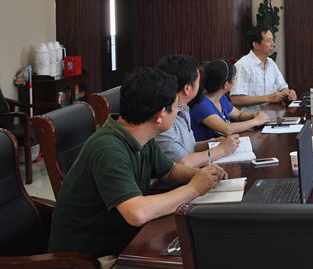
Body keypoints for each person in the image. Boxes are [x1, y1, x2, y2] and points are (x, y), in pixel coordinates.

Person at [49, 68, 227, 262]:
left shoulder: (141, 134)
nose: (179, 110)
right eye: (177, 106)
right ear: (160, 115)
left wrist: (200, 175)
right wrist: (194, 188)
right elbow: (137, 213)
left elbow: (170, 171)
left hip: (125, 239)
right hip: (88, 258)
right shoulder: (109, 149)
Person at [154, 54, 239, 167]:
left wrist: (210, 143)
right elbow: (183, 163)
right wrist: (221, 149)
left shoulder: (183, 108)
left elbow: (186, 147)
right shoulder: (163, 118)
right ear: (187, 88)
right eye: (199, 81)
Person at [191, 59, 270, 140]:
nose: (235, 81)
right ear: (226, 85)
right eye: (234, 78)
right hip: (209, 147)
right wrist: (256, 121)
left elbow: (239, 115)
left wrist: (255, 115)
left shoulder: (220, 97)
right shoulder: (202, 105)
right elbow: (227, 129)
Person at [230, 26, 298, 113]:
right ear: (256, 45)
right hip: (251, 119)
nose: (273, 44)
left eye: (273, 40)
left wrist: (288, 93)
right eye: (269, 41)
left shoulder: (271, 63)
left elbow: (282, 87)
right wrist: (267, 98)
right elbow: (236, 99)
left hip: (272, 116)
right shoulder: (242, 65)